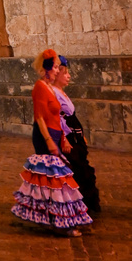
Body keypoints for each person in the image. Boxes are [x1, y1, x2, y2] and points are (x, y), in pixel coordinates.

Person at [12, 48, 92, 236]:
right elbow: (39, 117)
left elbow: (57, 116)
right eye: (55, 67)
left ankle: (51, 217)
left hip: (55, 134)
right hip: (44, 136)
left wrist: (62, 138)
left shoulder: (50, 88)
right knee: (56, 178)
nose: (58, 71)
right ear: (46, 69)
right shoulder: (40, 87)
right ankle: (61, 222)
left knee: (51, 180)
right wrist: (49, 141)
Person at [53, 55, 101, 212]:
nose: (69, 76)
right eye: (65, 73)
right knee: (76, 168)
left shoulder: (61, 92)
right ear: (57, 74)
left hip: (74, 134)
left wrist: (81, 135)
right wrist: (64, 139)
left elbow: (71, 117)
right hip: (67, 137)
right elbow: (56, 118)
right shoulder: (53, 93)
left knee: (81, 165)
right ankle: (76, 204)